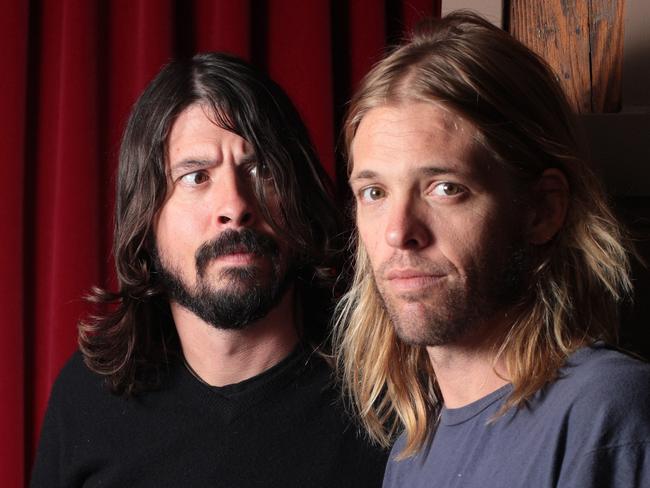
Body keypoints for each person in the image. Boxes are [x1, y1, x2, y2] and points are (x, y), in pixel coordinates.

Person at [31, 52, 387, 487]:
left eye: (260, 169)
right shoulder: (86, 400)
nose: (235, 206)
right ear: (146, 218)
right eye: (196, 176)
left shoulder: (383, 393)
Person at [333, 11, 650, 487]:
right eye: (375, 193)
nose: (398, 232)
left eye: (445, 188)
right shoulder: (410, 454)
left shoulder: (605, 412)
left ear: (541, 209)